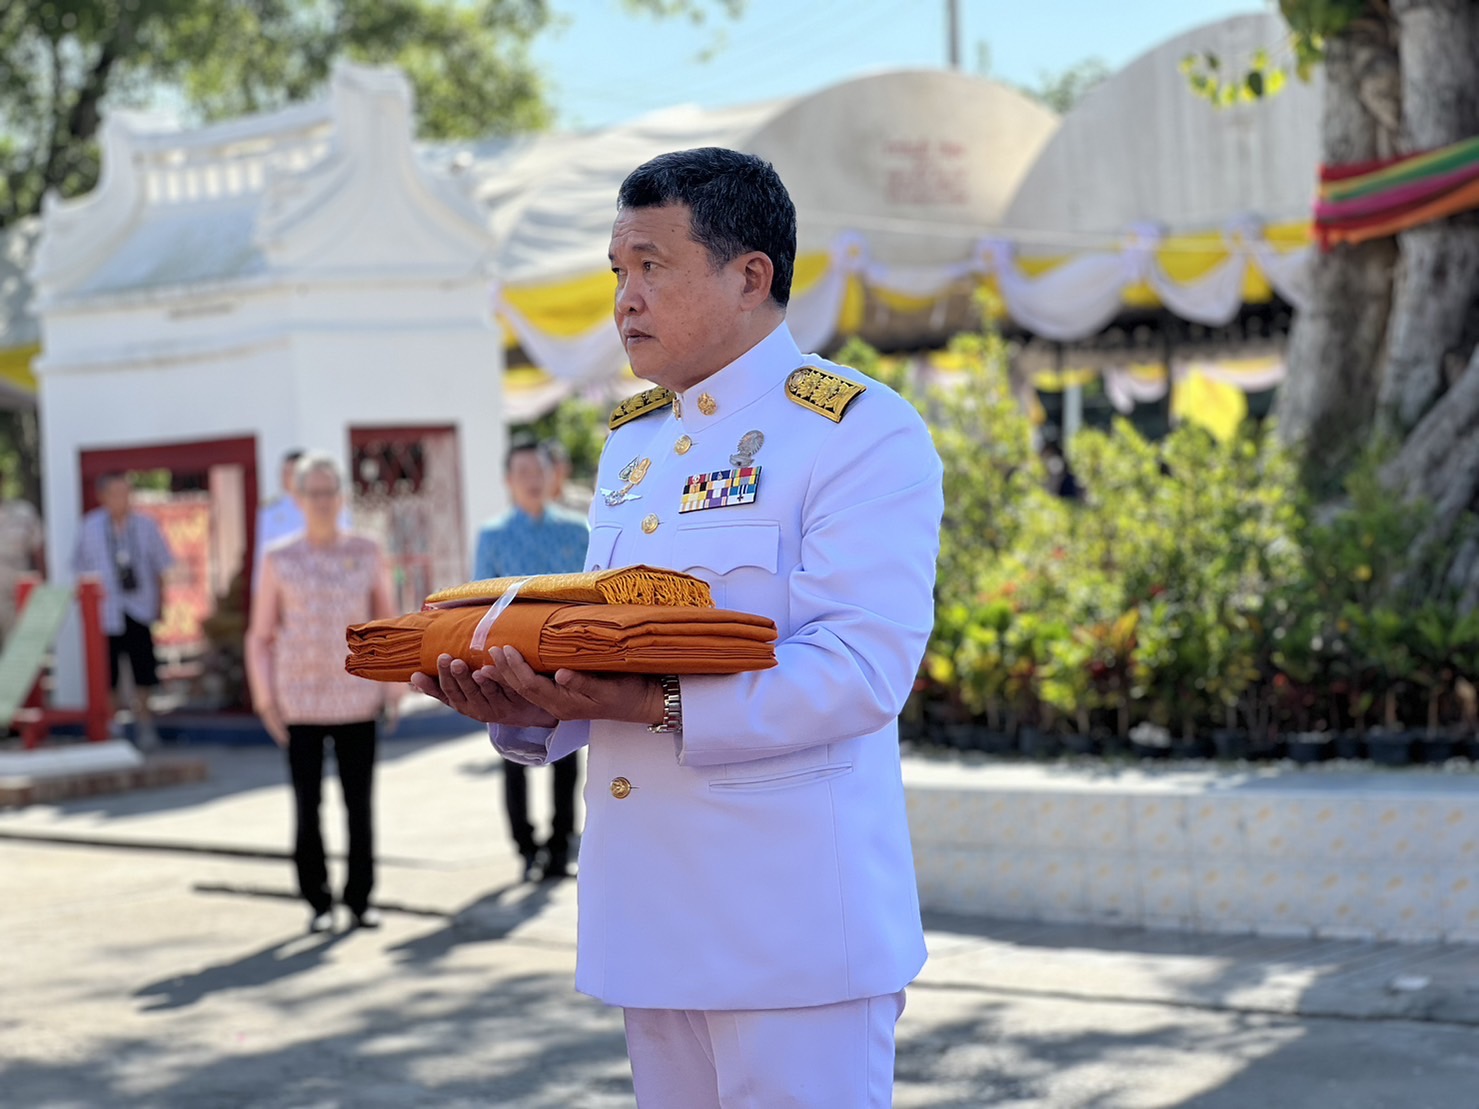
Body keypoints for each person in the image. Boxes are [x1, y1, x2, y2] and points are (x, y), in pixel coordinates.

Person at [414, 148, 943, 1107]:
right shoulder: (634, 440)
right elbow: (600, 641)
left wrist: (651, 700)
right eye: (618, 271)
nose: (625, 298)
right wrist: (526, 701)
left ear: (751, 277)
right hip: (650, 918)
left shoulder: (857, 429)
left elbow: (860, 668)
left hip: (789, 931)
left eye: (652, 266)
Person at [245, 452, 400, 934]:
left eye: (330, 492)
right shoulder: (279, 558)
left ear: (342, 497)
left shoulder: (367, 551)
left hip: (356, 698)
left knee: (359, 803)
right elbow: (260, 635)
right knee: (306, 805)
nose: (322, 502)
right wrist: (265, 699)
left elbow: (387, 622)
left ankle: (360, 899)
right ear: (298, 498)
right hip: (300, 701)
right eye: (313, 493)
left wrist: (393, 689)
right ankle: (317, 901)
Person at [471, 438, 590, 881]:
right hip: (507, 662)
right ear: (508, 481)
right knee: (511, 755)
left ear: (553, 476)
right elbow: (477, 600)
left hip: (564, 662)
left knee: (566, 756)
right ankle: (524, 847)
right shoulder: (494, 535)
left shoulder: (578, 531)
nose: (531, 481)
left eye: (538, 471)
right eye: (521, 473)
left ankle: (561, 847)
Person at [72, 474, 174, 750]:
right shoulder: (90, 527)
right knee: (109, 672)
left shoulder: (146, 525)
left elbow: (162, 566)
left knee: (143, 670)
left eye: (127, 493)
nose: (123, 499)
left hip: (139, 607)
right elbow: (79, 571)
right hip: (106, 611)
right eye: (116, 493)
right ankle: (112, 726)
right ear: (103, 496)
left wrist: (161, 605)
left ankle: (145, 725)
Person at [0, 490, 45, 645]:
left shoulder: (23, 512)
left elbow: (39, 551)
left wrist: (45, 584)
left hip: (16, 596)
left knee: (17, 648)